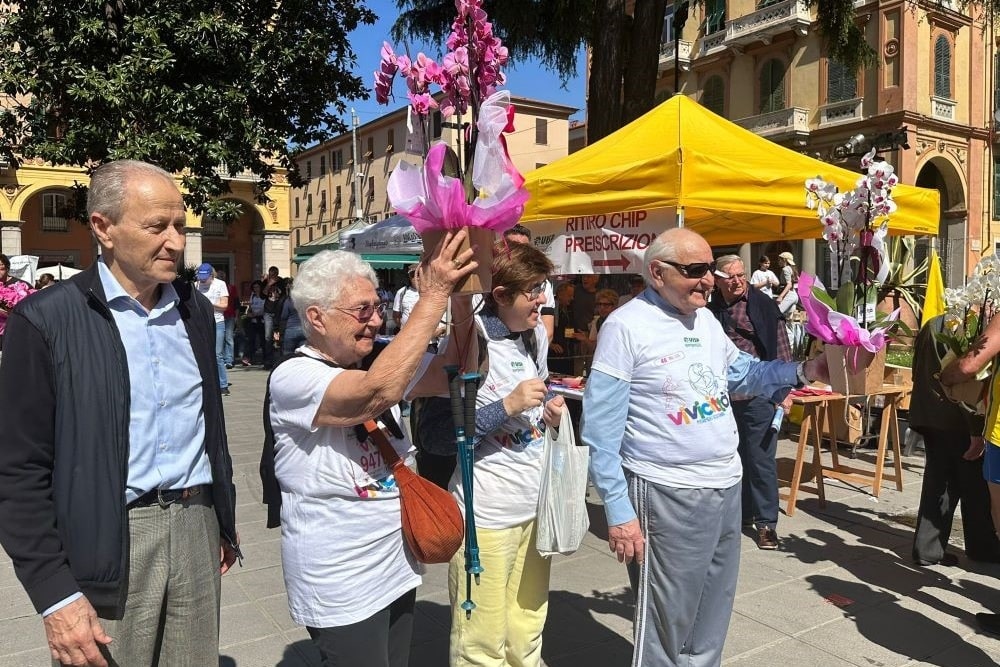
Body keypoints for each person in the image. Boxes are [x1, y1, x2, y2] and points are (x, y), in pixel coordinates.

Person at [0, 160, 240, 667]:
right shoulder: (46, 319)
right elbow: (18, 469)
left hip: (196, 526)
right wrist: (54, 594)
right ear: (103, 228)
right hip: (109, 537)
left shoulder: (194, 310)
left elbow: (210, 427)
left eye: (180, 224)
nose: (176, 241)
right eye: (157, 227)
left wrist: (221, 518)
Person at [582, 228, 827, 667]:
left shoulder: (707, 321)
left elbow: (744, 376)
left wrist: (807, 370)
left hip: (725, 485)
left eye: (709, 269)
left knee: (712, 613)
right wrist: (618, 513)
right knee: (665, 622)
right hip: (665, 491)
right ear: (656, 272)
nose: (708, 280)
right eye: (694, 270)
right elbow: (600, 432)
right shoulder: (625, 327)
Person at [267, 232, 477, 667]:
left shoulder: (378, 357)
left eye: (378, 308)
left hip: (395, 562)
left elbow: (462, 371)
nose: (377, 321)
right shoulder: (293, 377)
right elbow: (376, 393)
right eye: (362, 311)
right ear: (317, 318)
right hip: (340, 575)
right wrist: (432, 296)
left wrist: (459, 300)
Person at [448, 241, 566, 667]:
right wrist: (509, 406)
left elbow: (538, 395)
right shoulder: (470, 341)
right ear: (499, 296)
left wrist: (549, 409)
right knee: (481, 636)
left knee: (527, 623)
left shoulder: (534, 337)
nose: (542, 299)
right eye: (532, 290)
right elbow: (446, 435)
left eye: (544, 287)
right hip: (487, 515)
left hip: (535, 506)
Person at [709, 255, 793, 550]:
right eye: (729, 276)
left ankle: (767, 523)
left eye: (741, 275)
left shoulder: (762, 304)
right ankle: (741, 514)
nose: (737, 281)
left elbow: (781, 347)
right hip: (723, 397)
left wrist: (784, 392)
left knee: (760, 460)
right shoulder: (711, 307)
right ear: (717, 279)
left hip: (758, 394)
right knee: (731, 457)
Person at [910, 315, 1000, 567]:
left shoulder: (933, 322)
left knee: (938, 480)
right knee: (974, 487)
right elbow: (968, 375)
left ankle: (927, 549)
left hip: (930, 413)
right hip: (956, 418)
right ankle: (981, 547)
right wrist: (975, 429)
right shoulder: (963, 323)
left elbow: (918, 364)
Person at [503, 224, 556, 342]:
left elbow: (548, 333)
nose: (542, 299)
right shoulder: (490, 280)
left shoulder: (544, 283)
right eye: (514, 247)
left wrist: (531, 352)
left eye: (525, 248)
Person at [196, 263, 230, 395]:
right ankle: (205, 382)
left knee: (217, 354)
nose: (203, 280)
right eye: (200, 277)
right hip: (201, 322)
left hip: (217, 321)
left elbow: (224, 305)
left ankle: (223, 384)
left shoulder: (220, 284)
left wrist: (209, 305)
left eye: (205, 278)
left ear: (212, 275)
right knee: (202, 353)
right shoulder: (196, 285)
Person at [216, 269, 240, 369]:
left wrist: (237, 317)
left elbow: (236, 303)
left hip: (229, 315)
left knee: (229, 338)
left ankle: (229, 359)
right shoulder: (215, 287)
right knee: (219, 338)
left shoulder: (231, 288)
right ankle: (221, 359)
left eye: (222, 276)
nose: (220, 277)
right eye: (219, 276)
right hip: (218, 315)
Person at [242, 280, 266, 365]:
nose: (256, 289)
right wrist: (249, 313)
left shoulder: (264, 296)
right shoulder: (253, 296)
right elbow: (250, 307)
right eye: (254, 287)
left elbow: (265, 308)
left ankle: (265, 358)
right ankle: (248, 358)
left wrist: (257, 313)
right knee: (251, 339)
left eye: (257, 287)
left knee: (263, 340)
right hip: (253, 320)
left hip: (262, 320)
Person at [774, 251, 798, 315]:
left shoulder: (785, 269)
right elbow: (798, 280)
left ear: (784, 260)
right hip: (794, 295)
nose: (778, 261)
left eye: (779, 260)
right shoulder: (792, 269)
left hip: (789, 295)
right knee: (789, 319)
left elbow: (789, 284)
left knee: (776, 313)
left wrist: (781, 296)